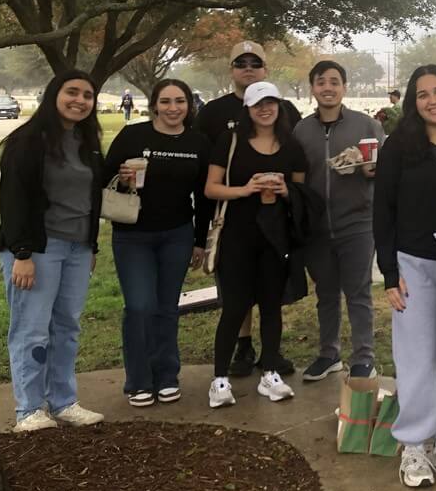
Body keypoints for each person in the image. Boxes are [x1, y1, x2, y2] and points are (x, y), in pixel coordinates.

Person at [373, 65, 436, 489]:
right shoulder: (399, 146)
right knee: (416, 358)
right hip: (413, 263)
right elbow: (383, 210)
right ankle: (414, 444)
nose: (433, 100)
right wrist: (389, 272)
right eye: (422, 94)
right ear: (413, 103)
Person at [0, 70, 106, 431]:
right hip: (38, 249)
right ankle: (29, 410)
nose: (80, 100)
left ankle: (62, 402)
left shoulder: (87, 141)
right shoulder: (28, 140)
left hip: (77, 248)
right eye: (71, 92)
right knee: (31, 330)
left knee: (67, 327)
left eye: (87, 95)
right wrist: (23, 253)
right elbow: (13, 200)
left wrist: (91, 245)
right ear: (53, 95)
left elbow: (91, 198)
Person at [197, 40, 302, 376]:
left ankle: (270, 359)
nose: (247, 67)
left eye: (254, 62)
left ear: (265, 69)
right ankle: (241, 350)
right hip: (232, 221)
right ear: (232, 70)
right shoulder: (214, 113)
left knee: (271, 299)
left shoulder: (288, 123)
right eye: (240, 62)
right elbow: (205, 172)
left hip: (274, 228)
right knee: (236, 298)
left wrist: (287, 191)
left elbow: (299, 177)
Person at [104, 78, 211, 407]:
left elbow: (205, 197)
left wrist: (199, 240)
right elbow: (104, 180)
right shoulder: (133, 135)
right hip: (132, 235)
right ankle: (138, 380)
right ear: (153, 105)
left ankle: (166, 375)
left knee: (166, 307)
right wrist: (122, 181)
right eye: (165, 101)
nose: (173, 108)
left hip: (177, 233)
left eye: (180, 101)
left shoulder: (198, 142)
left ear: (188, 106)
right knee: (139, 307)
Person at [294, 60, 384, 382]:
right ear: (313, 88)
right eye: (321, 82)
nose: (328, 87)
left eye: (334, 81)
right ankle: (328, 354)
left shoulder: (366, 125)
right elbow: (298, 178)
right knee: (326, 293)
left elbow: (384, 170)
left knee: (358, 292)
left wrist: (366, 168)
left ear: (344, 87)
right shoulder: (301, 130)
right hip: (317, 227)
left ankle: (364, 357)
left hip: (358, 222)